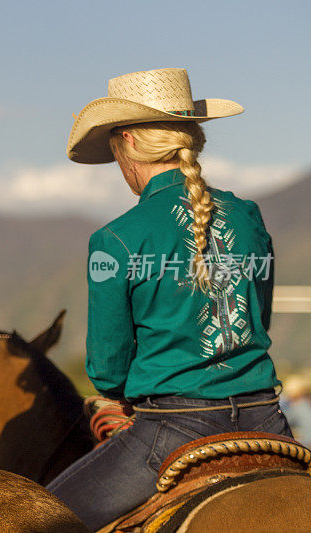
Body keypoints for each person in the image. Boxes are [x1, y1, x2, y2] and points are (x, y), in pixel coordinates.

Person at [45, 68, 293, 530]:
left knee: (36, 522)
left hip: (172, 429)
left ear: (130, 144)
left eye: (115, 150)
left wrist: (115, 397)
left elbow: (108, 367)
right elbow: (260, 317)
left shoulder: (115, 239)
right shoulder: (249, 216)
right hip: (267, 423)